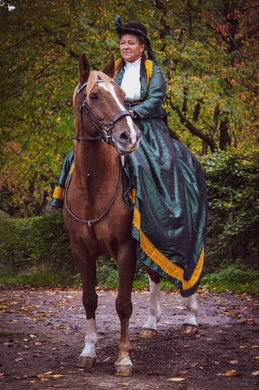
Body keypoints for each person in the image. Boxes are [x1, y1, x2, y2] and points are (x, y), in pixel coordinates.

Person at [51, 17, 207, 297]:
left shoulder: (153, 71)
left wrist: (134, 113)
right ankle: (61, 196)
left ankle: (158, 208)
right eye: (122, 42)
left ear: (142, 46)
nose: (125, 46)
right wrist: (118, 115)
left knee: (159, 163)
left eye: (130, 42)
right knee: (76, 154)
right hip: (116, 123)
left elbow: (155, 99)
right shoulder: (115, 72)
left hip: (147, 123)